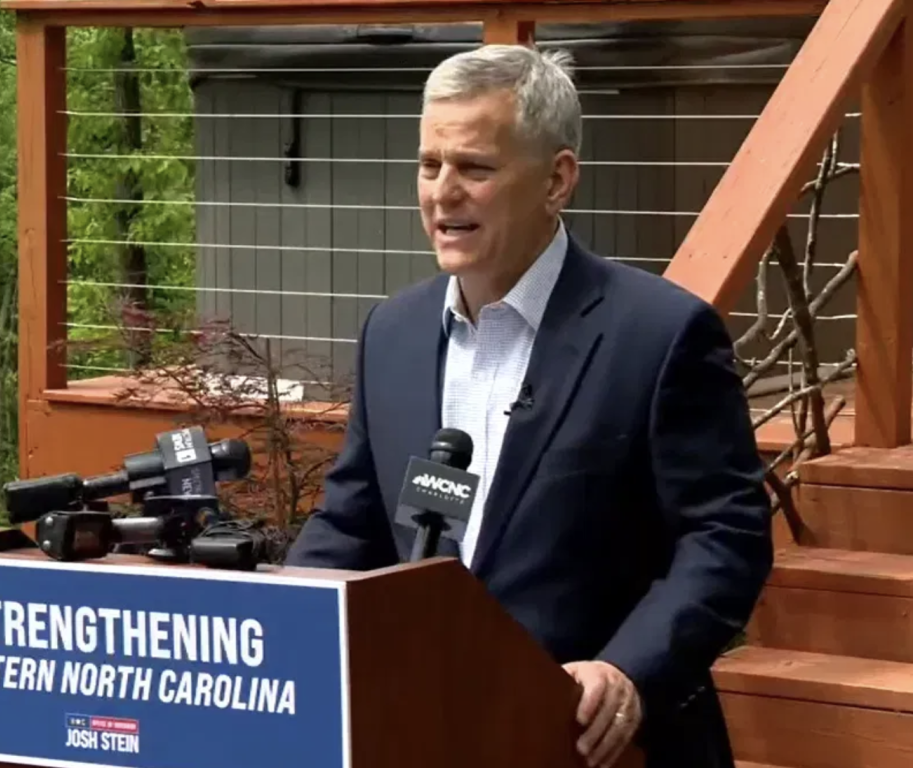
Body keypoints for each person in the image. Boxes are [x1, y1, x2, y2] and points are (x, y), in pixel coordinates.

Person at [284, 45, 774, 768]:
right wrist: (284, 626)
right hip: (427, 733)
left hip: (601, 745)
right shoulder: (392, 333)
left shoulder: (660, 334)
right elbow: (352, 521)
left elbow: (725, 537)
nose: (443, 193)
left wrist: (626, 672)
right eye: (429, 165)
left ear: (557, 180)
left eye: (475, 168)